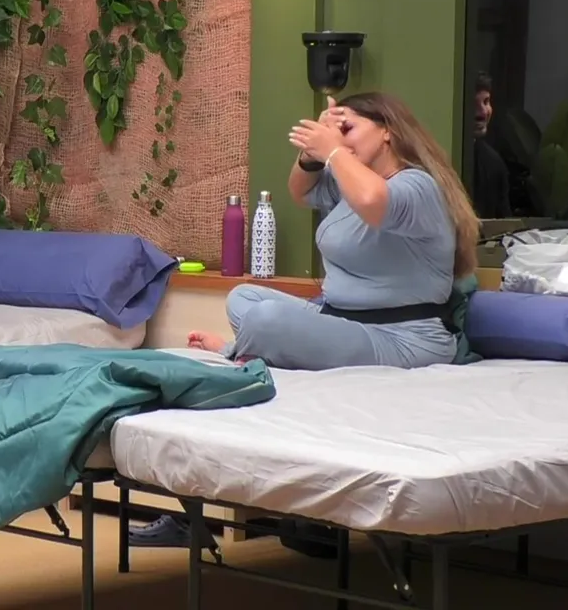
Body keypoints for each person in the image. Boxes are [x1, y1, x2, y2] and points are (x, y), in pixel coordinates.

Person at [130, 91, 482, 550]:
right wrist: (315, 155)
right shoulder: (350, 177)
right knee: (244, 298)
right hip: (340, 317)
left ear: (387, 131)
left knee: (267, 318)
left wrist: (333, 150)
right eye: (337, 129)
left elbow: (374, 200)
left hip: (403, 339)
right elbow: (300, 191)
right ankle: (250, 345)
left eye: (349, 128)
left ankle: (238, 351)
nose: (341, 138)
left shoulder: (417, 187)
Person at [469, 72, 512, 218]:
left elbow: (504, 223)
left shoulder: (495, 164)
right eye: (474, 104)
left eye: (486, 102)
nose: (482, 113)